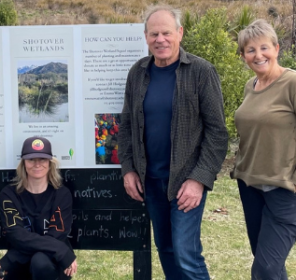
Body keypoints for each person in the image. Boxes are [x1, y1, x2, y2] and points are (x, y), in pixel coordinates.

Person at [118, 5, 228, 279]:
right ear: (145, 37)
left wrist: (199, 180)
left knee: (185, 254)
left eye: (166, 32)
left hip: (186, 181)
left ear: (179, 33)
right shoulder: (138, 73)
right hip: (151, 181)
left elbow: (217, 132)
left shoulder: (201, 71)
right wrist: (128, 168)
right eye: (154, 34)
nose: (160, 39)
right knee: (165, 248)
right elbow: (128, 124)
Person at [231, 19, 296, 280]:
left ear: (277, 48)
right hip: (251, 186)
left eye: (264, 48)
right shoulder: (251, 86)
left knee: (265, 269)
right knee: (270, 266)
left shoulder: (291, 82)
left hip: (284, 189)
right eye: (250, 50)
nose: (258, 55)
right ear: (244, 55)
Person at [0, 136, 77, 280]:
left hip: (52, 263)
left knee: (40, 260)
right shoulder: (9, 194)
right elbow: (16, 235)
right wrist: (62, 251)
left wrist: (9, 259)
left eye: (42, 159)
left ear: (50, 163)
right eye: (31, 159)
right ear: (23, 163)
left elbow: (56, 236)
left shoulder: (62, 194)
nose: (37, 164)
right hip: (21, 263)